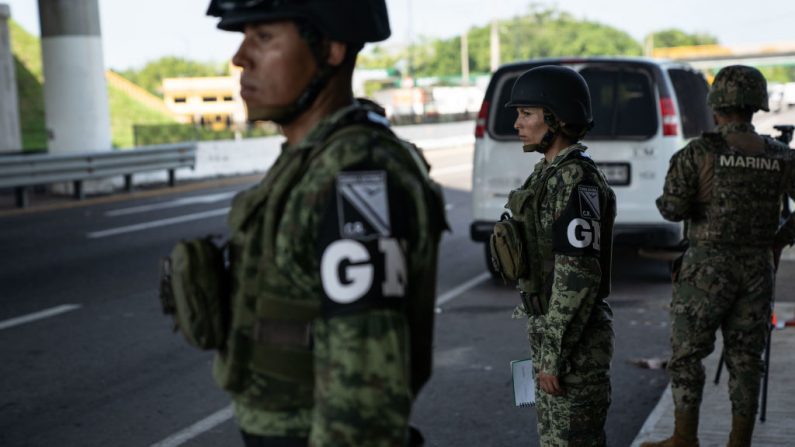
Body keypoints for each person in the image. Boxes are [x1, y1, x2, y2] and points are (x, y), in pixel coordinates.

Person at [205, 1, 448, 445]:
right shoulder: (310, 160)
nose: (240, 57)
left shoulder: (357, 174)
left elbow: (364, 396)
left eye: (263, 38)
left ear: (332, 49)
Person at [643, 65, 795, 447]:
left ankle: (684, 437)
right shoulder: (781, 155)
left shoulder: (698, 152)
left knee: (687, 355)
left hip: (706, 271)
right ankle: (738, 441)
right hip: (758, 269)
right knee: (747, 359)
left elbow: (672, 209)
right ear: (757, 104)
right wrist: (779, 238)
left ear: (716, 106)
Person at [500, 65, 616, 446]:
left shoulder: (575, 179)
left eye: (527, 113)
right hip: (553, 335)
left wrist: (554, 355)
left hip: (573, 349)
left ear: (558, 119)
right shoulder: (547, 174)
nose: (517, 122)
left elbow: (577, 275)